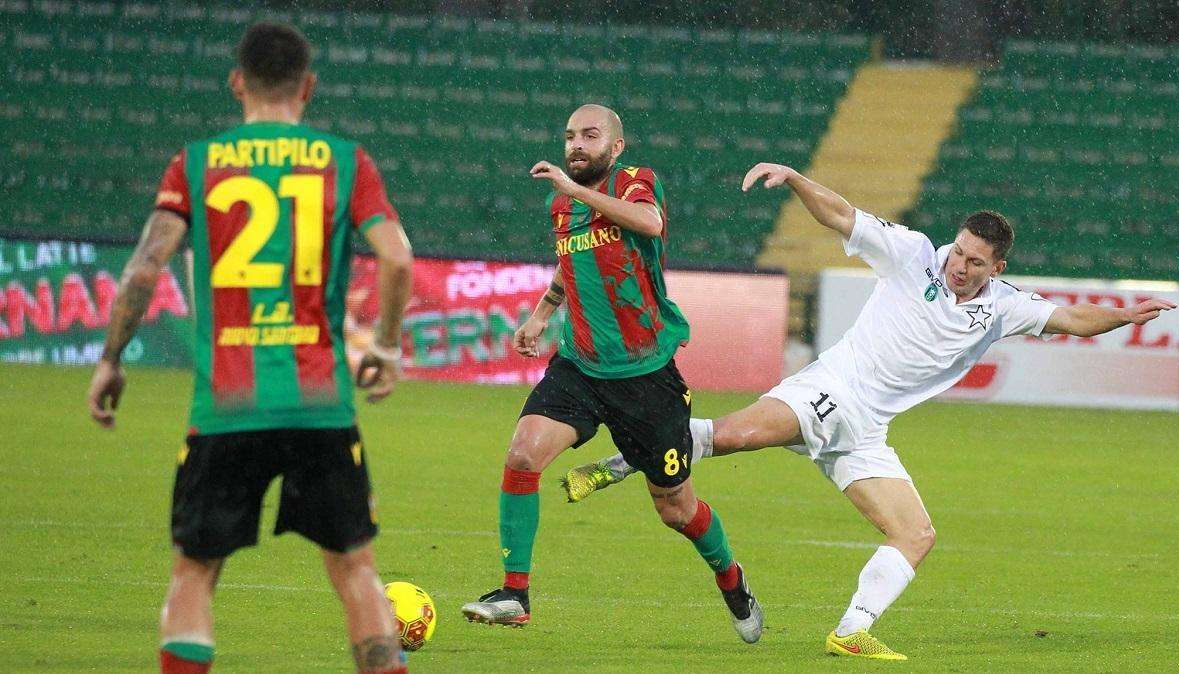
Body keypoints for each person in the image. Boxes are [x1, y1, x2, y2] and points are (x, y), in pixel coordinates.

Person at [561, 162, 1177, 659]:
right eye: (959, 252)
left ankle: (851, 631)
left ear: (998, 268)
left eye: (975, 263)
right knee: (733, 437)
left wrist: (1122, 315)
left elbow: (1069, 318)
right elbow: (843, 216)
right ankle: (627, 460)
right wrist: (797, 180)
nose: (959, 267)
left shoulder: (1005, 305)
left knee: (916, 534)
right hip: (832, 392)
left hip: (866, 432)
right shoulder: (912, 255)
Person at [85, 22, 415, 674]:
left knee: (194, 573)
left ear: (237, 81)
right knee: (355, 571)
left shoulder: (197, 163)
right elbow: (398, 261)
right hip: (320, 405)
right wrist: (387, 346)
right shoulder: (347, 162)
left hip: (226, 406)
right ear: (309, 87)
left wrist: (111, 359)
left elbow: (145, 269)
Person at [460, 104, 763, 643]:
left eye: (590, 135)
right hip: (579, 367)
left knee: (676, 509)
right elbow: (570, 262)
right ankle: (514, 593)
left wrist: (575, 192)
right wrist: (541, 313)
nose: (576, 144)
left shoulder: (635, 181)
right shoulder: (564, 206)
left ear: (616, 146)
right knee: (522, 456)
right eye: (569, 136)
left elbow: (649, 223)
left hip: (646, 377)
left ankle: (732, 580)